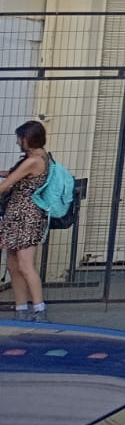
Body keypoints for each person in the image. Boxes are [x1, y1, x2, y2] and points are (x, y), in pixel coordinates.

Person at [0, 121, 50, 322]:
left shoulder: (34, 160)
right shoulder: (37, 156)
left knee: (25, 265)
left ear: (28, 139)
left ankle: (39, 310)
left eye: (20, 138)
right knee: (13, 264)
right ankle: (21, 308)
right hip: (16, 215)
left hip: (26, 216)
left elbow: (6, 185)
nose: (17, 142)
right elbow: (14, 175)